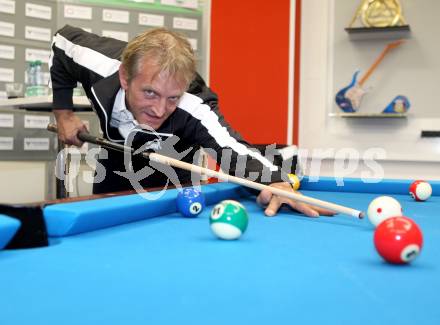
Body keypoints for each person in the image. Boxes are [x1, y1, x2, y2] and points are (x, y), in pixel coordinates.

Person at [50, 25, 334, 217]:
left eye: (172, 97)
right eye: (150, 92)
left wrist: (276, 182)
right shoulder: (98, 64)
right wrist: (64, 114)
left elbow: (232, 148)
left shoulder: (194, 104)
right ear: (125, 77)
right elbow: (61, 42)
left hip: (175, 177)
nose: (160, 109)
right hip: (116, 161)